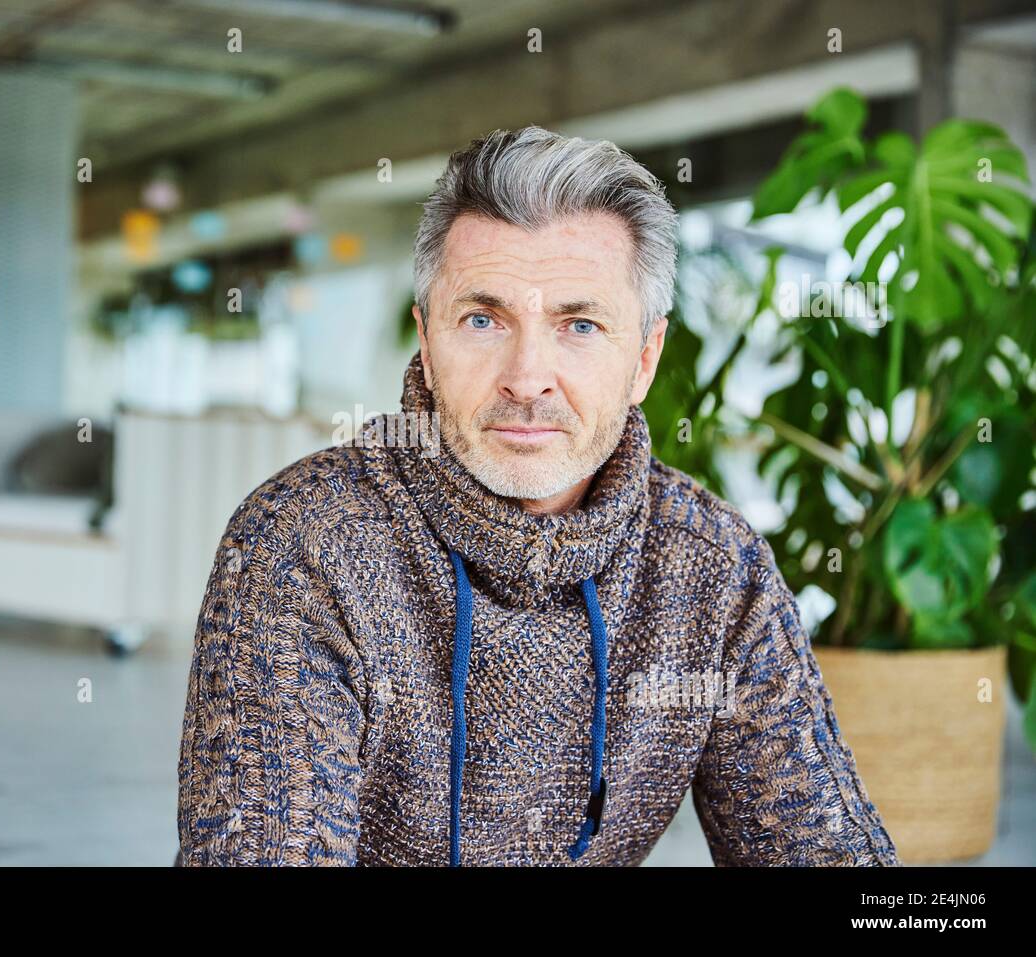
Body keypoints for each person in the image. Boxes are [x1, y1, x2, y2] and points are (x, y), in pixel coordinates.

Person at [175, 125, 900, 867]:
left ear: (644, 358)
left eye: (579, 324)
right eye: (483, 319)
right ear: (426, 340)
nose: (528, 376)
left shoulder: (712, 566)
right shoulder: (305, 543)